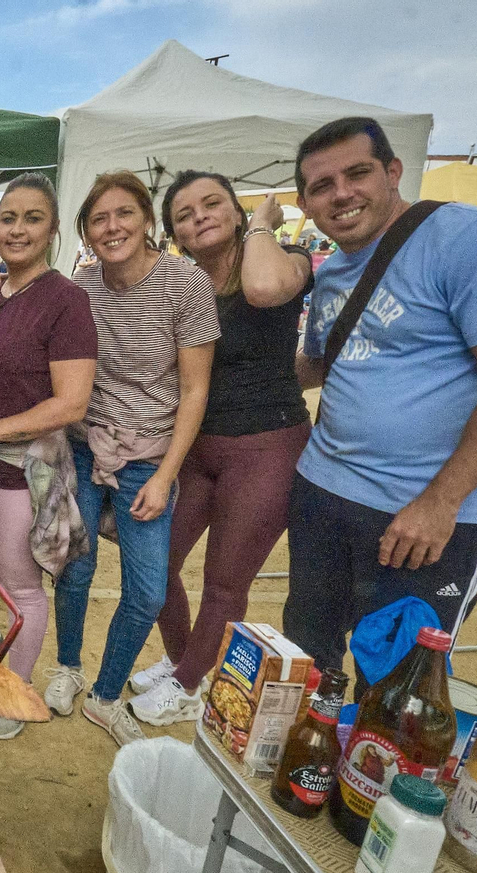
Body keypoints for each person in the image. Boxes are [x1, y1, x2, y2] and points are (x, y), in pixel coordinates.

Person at [284, 117, 477, 673]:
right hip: (323, 493)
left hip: (419, 516)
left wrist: (441, 503)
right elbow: (321, 364)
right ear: (306, 202)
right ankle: (313, 759)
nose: (341, 193)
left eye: (357, 173)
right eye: (322, 186)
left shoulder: (456, 238)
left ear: (393, 172)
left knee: (397, 681)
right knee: (308, 653)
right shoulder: (334, 273)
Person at [129, 177, 316, 726]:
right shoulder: (183, 284)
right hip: (197, 448)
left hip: (265, 446)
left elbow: (259, 290)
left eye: (212, 205)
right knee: (155, 565)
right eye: (184, 214)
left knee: (225, 582)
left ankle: (188, 687)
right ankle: (186, 661)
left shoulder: (284, 259)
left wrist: (263, 223)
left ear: (237, 213)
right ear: (173, 233)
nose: (199, 218)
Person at [45, 170, 218, 747]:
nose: (112, 226)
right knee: (76, 567)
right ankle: (68, 666)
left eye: (124, 214)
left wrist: (166, 474)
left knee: (147, 588)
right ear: (86, 232)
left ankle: (105, 692)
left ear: (147, 220)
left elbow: (195, 389)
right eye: (99, 219)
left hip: (150, 456)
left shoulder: (184, 282)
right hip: (84, 442)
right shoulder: (82, 287)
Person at [0, 172, 97, 741]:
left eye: (33, 218)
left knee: (22, 585)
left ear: (54, 229)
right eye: (8, 218)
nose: (18, 229)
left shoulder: (66, 300)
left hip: (21, 467)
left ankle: (15, 690)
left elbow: (72, 401)